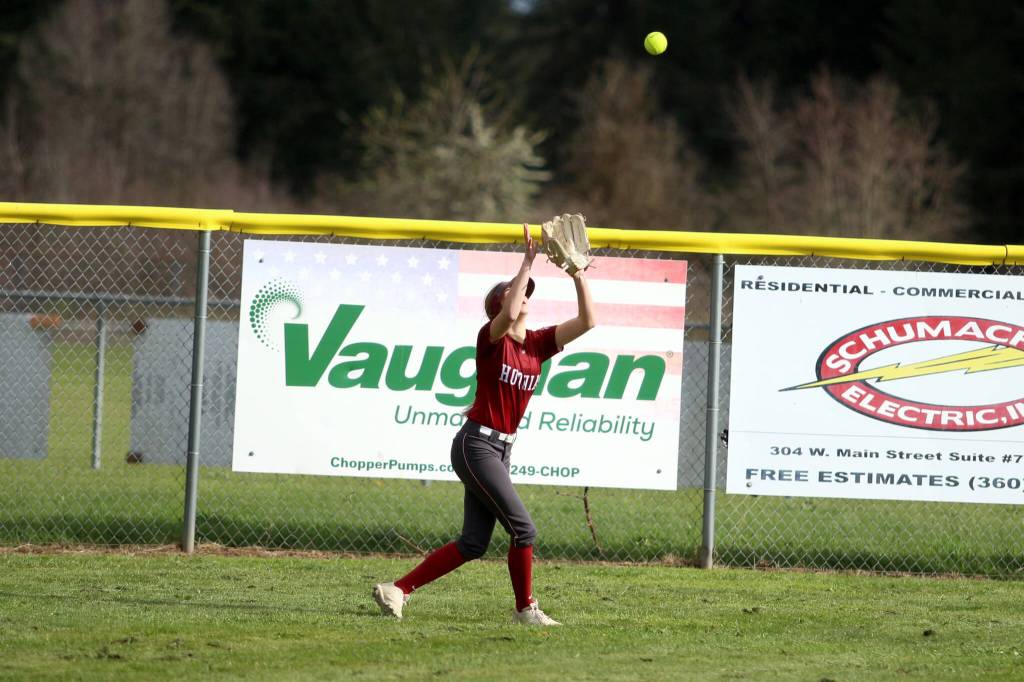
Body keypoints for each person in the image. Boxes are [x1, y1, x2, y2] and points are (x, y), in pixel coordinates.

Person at [373, 222, 596, 625]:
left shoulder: (537, 344)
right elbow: (510, 310)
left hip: (500, 449)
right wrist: (527, 261)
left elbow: (587, 322)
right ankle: (526, 610)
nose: (522, 296)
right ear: (498, 307)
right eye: (513, 292)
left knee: (474, 543)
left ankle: (397, 590)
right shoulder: (490, 340)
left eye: (525, 292)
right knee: (524, 529)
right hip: (475, 446)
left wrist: (578, 275)